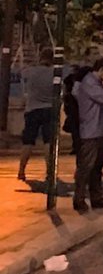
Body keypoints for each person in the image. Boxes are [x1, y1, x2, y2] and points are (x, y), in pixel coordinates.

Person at [72, 56, 103, 213]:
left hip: (100, 130)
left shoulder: (96, 83)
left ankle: (97, 197)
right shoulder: (89, 82)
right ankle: (79, 198)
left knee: (98, 166)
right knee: (86, 167)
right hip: (90, 131)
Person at [17, 48, 55, 183]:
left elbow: (22, 74)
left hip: (32, 109)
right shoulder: (54, 73)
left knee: (28, 141)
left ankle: (22, 170)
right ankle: (50, 171)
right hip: (49, 109)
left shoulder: (31, 72)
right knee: (48, 141)